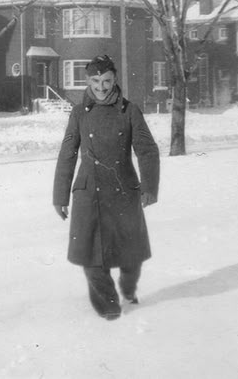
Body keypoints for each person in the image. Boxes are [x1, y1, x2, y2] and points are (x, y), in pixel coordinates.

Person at [53, 55, 160, 320]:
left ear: (115, 80)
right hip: (89, 193)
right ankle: (109, 305)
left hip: (123, 190)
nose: (101, 87)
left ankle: (128, 289)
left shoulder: (129, 111)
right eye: (95, 81)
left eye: (107, 81)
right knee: (90, 256)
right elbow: (67, 153)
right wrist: (60, 195)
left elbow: (147, 150)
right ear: (88, 81)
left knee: (130, 256)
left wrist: (149, 186)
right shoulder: (79, 113)